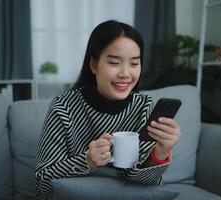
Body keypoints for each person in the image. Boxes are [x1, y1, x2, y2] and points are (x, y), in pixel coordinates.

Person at [34, 20, 181, 200]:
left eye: (134, 64)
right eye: (114, 63)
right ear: (94, 65)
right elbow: (42, 181)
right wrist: (87, 161)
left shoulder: (143, 106)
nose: (125, 74)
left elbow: (145, 181)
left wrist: (160, 153)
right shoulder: (63, 107)